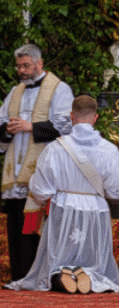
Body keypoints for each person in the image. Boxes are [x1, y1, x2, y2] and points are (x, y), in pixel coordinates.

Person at [4, 95, 119, 293]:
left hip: (64, 208)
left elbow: (41, 190)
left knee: (59, 258)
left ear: (72, 116)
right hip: (96, 209)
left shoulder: (55, 148)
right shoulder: (109, 150)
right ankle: (90, 277)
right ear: (95, 118)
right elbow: (116, 191)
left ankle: (62, 275)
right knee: (93, 262)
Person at [0, 44, 73, 282]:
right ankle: (19, 274)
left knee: (36, 224)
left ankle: (40, 275)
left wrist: (30, 126)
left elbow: (66, 125)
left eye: (26, 65)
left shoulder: (59, 89)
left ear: (39, 64)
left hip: (43, 170)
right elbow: (1, 121)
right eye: (19, 66)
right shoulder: (15, 92)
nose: (21, 70)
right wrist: (7, 130)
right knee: (16, 222)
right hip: (16, 171)